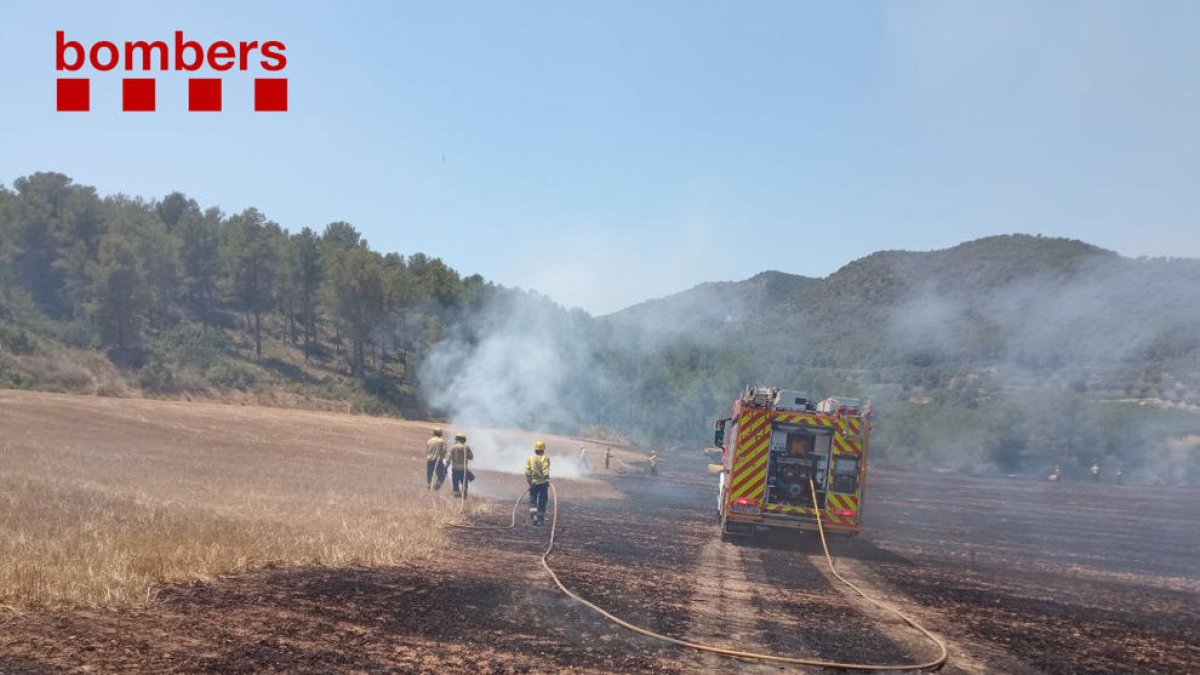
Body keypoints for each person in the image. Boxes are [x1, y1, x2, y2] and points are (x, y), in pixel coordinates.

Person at [526, 440, 551, 525]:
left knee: (532, 500)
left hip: (533, 483)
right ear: (543, 449)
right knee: (542, 501)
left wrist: (529, 482)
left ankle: (534, 517)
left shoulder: (531, 458)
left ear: (535, 449)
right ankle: (540, 519)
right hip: (543, 484)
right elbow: (545, 470)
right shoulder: (545, 458)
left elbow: (527, 472)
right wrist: (547, 480)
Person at [448, 432, 474, 498]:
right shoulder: (466, 447)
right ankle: (464, 493)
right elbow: (471, 457)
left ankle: (456, 494)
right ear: (463, 439)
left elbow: (448, 459)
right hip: (464, 470)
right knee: (464, 483)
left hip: (455, 470)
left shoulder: (453, 448)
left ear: (456, 439)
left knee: (455, 484)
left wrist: (445, 468)